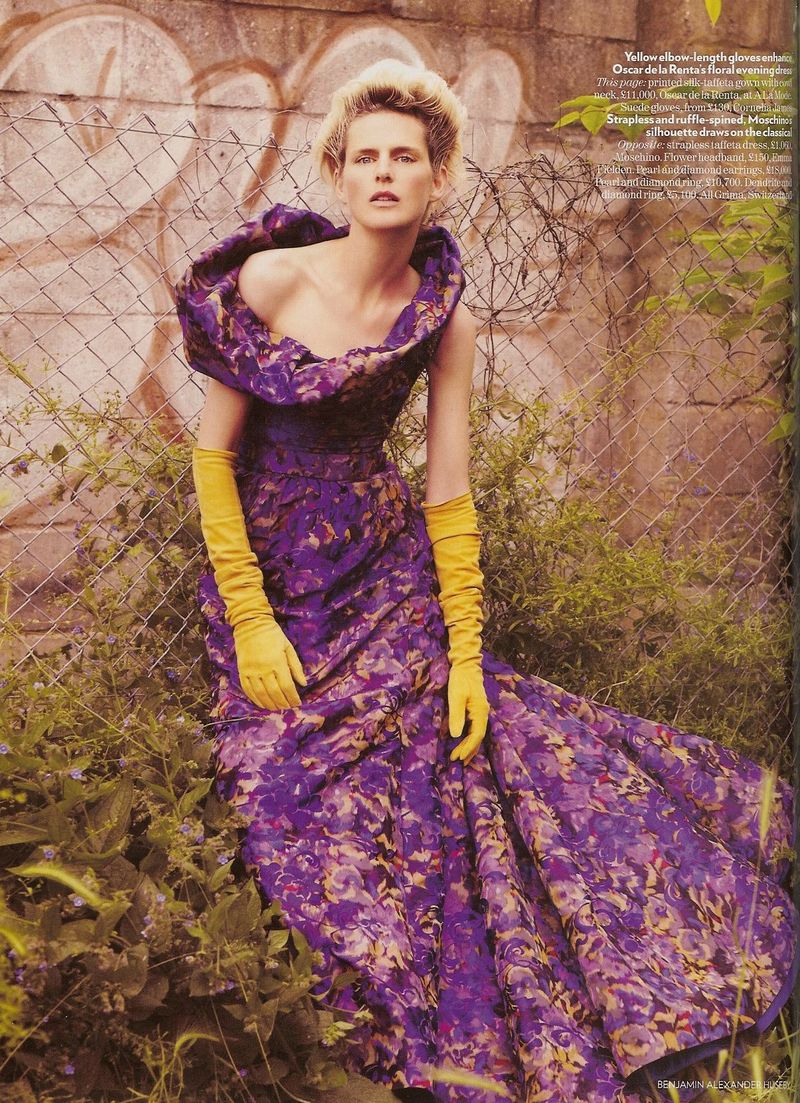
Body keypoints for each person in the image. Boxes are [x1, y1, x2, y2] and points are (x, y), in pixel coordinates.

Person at [175, 58, 799, 1103]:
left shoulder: (442, 315)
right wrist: (249, 617)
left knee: (447, 760)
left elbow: (449, 492)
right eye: (365, 156)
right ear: (338, 173)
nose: (384, 172)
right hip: (275, 576)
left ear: (437, 177)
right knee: (278, 787)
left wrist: (463, 652)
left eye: (404, 157)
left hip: (384, 571)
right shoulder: (272, 282)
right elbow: (211, 460)